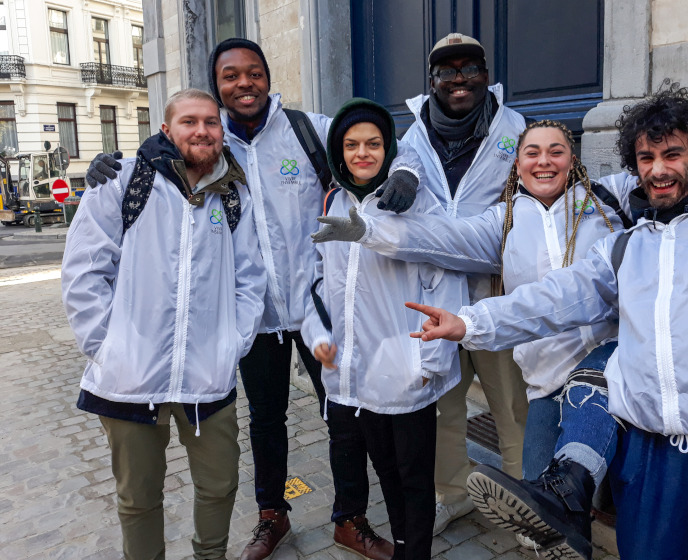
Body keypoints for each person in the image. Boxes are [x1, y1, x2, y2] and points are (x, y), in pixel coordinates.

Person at [313, 93, 688, 557]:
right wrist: (376, 233)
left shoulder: (638, 209)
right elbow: (516, 281)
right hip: (587, 403)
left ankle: (575, 491)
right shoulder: (542, 230)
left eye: (556, 150)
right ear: (515, 165)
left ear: (574, 159)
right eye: (531, 152)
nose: (658, 169)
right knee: (543, 501)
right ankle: (565, 515)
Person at [85, 38, 423, 560]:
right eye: (230, 76)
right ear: (217, 87)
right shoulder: (210, 144)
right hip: (253, 316)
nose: (244, 83)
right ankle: (273, 515)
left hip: (317, 305)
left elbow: (375, 146)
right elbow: (162, 165)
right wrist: (109, 167)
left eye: (254, 72)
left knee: (343, 414)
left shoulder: (310, 129)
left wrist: (407, 172)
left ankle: (350, 518)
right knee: (266, 420)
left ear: (268, 76)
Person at [62, 88, 267, 560]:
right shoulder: (123, 182)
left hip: (207, 378)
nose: (201, 131)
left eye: (211, 123)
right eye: (189, 122)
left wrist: (229, 345)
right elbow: (84, 271)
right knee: (138, 497)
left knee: (220, 483)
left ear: (221, 130)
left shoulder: (232, 193)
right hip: (129, 379)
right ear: (166, 130)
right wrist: (109, 347)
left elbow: (250, 278)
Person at [302, 98, 467, 560]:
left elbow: (446, 278)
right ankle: (401, 547)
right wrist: (320, 338)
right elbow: (318, 280)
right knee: (387, 473)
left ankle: (415, 552)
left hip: (407, 368)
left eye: (373, 143)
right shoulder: (334, 200)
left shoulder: (414, 204)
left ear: (389, 148)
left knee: (415, 477)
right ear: (339, 150)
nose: (362, 153)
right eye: (352, 144)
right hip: (358, 373)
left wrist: (429, 360)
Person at [400, 32, 531, 535]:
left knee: (510, 406)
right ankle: (452, 495)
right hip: (438, 296)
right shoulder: (413, 134)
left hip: (497, 293)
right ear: (432, 81)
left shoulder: (514, 128)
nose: (459, 79)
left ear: (485, 73)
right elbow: (406, 166)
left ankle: (527, 506)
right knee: (443, 410)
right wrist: (405, 175)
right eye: (446, 71)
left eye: (469, 68)